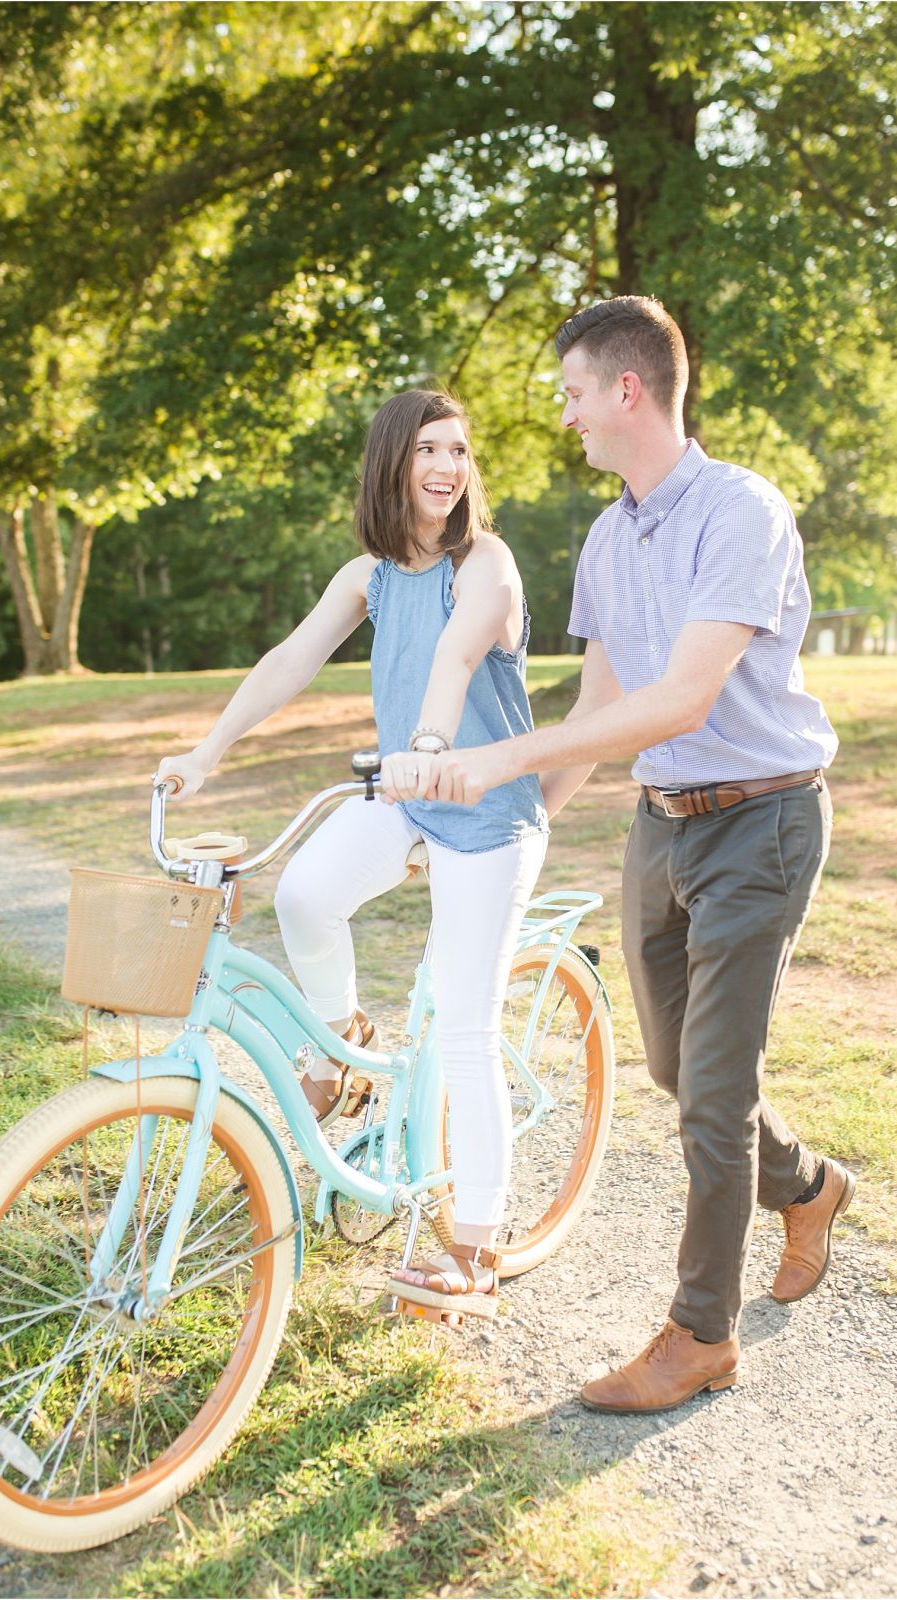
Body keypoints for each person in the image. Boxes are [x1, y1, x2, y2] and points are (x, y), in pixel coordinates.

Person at [425, 295, 854, 1411]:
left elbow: (681, 696)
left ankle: (697, 1334)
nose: (564, 417)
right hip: (659, 829)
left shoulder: (741, 511)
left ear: (624, 390)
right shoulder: (608, 539)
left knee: (710, 1094)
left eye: (571, 394)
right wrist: (516, 809)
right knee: (674, 1069)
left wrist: (501, 752)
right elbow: (606, 699)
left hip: (760, 821)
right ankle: (805, 1186)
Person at [154, 388, 548, 1324]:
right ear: (390, 465)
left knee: (462, 1025)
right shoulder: (370, 573)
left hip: (483, 809)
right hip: (407, 795)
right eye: (427, 452)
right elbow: (291, 659)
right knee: (303, 892)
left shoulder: (485, 561)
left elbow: (454, 658)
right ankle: (344, 1042)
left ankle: (476, 1249)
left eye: (458, 451)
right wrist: (206, 753)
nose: (448, 469)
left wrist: (431, 745)